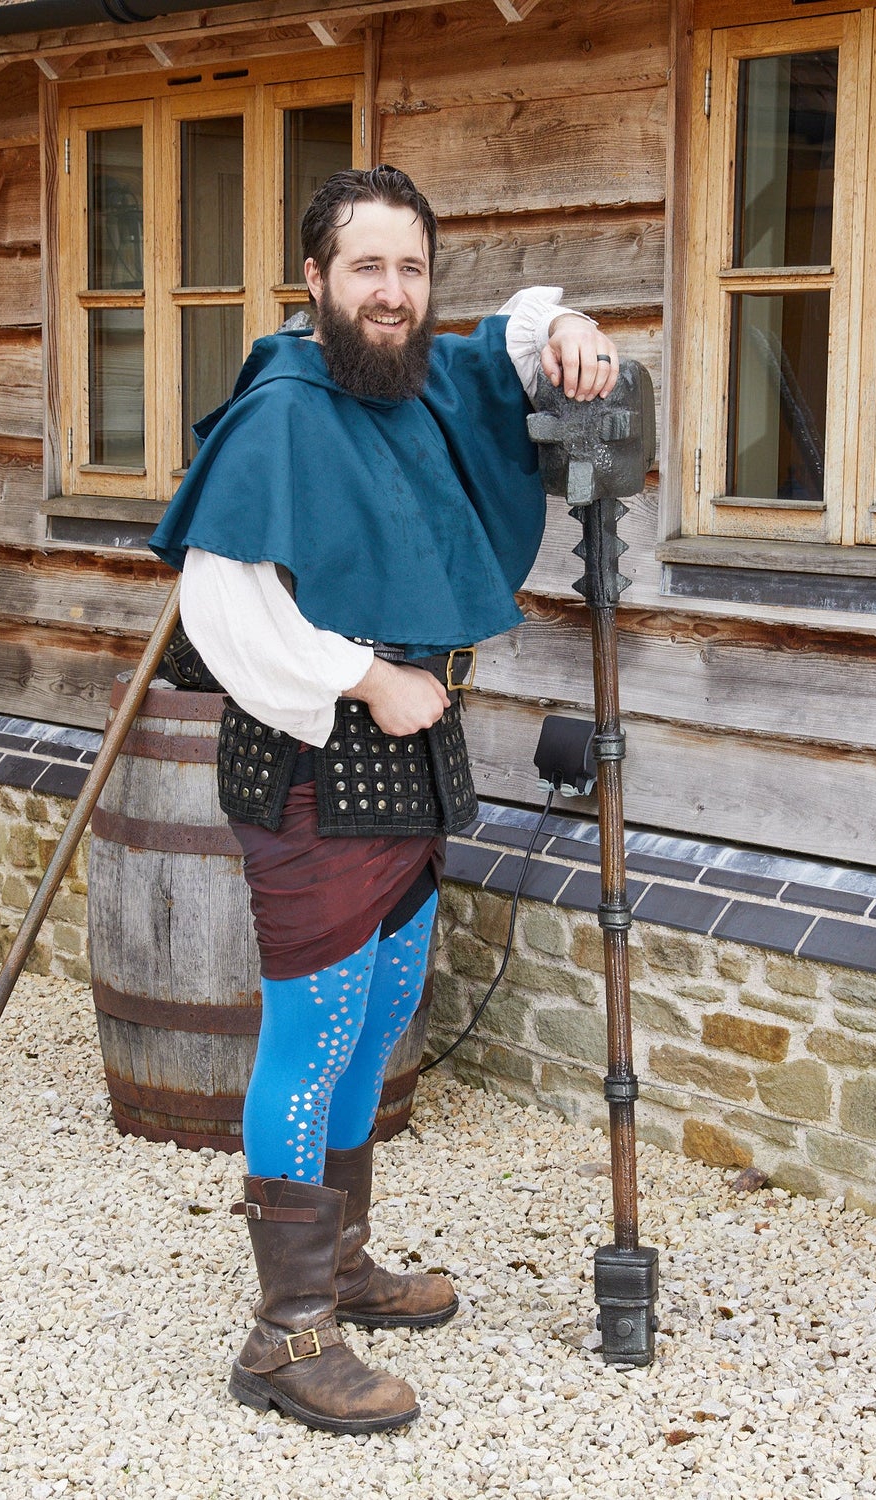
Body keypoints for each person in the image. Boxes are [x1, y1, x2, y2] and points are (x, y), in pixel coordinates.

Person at [150, 166, 618, 1437]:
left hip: (412, 755)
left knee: (387, 1007)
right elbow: (223, 605)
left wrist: (561, 326)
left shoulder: (414, 380)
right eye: (367, 268)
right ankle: (284, 1331)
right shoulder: (285, 412)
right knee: (316, 1027)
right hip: (310, 763)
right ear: (315, 279)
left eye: (410, 268)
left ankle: (342, 1262)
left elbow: (507, 345)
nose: (394, 294)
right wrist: (363, 676)